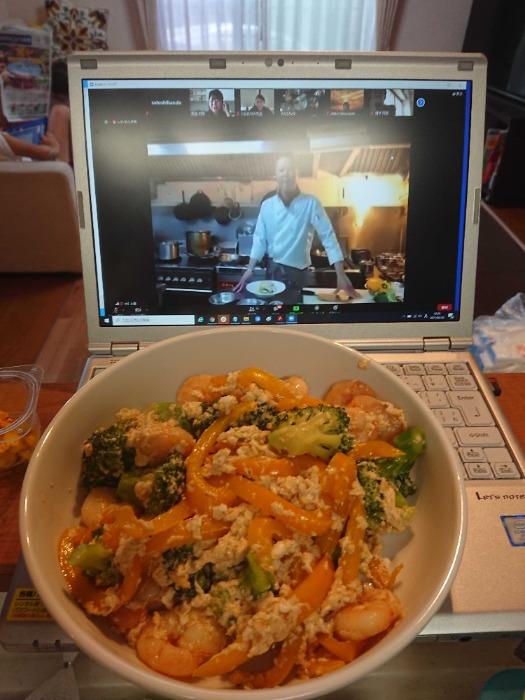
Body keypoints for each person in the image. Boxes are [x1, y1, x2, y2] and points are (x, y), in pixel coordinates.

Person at [233, 155, 359, 300]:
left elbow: (328, 236)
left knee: (297, 312)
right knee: (275, 311)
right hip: (273, 273)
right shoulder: (267, 205)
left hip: (299, 276)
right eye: (281, 170)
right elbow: (259, 239)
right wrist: (249, 269)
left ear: (296, 173)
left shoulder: (311, 203)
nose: (286, 173)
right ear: (276, 175)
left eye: (290, 169)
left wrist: (340, 274)